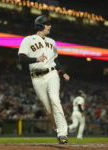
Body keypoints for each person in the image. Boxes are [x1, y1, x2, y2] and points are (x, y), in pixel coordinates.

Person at [18, 15, 70, 144]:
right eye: (47, 24)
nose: (50, 26)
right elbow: (21, 58)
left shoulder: (52, 42)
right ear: (40, 25)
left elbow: (55, 60)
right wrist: (36, 59)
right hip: (36, 77)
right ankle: (57, 129)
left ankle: (63, 133)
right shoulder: (28, 40)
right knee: (48, 107)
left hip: (52, 74)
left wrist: (62, 72)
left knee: (55, 100)